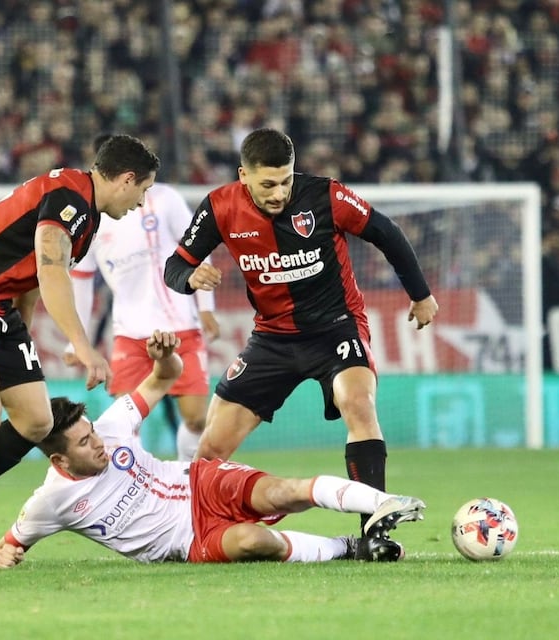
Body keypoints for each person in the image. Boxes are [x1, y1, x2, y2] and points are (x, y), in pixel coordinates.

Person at [0, 134, 160, 575]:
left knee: (36, 420)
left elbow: (25, 275)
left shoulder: (86, 212)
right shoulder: (70, 199)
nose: (141, 203)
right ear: (126, 179)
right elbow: (49, 267)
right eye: (143, 190)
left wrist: (17, 334)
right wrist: (83, 346)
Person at [163, 128, 439, 532]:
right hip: (272, 339)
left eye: (286, 181)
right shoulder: (220, 206)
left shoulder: (326, 196)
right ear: (244, 176)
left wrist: (420, 294)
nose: (279, 193)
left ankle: (372, 531)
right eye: (268, 184)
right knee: (210, 448)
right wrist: (190, 277)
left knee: (359, 406)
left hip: (337, 330)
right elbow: (174, 265)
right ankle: (193, 530)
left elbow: (386, 232)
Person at [0, 330, 426, 568]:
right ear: (59, 460)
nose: (98, 443)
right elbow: (10, 545)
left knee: (282, 492)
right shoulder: (50, 502)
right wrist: (2, 556)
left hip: (200, 483)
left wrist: (164, 359)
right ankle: (350, 549)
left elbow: (164, 378)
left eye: (92, 432)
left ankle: (385, 503)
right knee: (254, 542)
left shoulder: (113, 425)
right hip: (189, 541)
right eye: (85, 442)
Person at [65, 142, 220, 461]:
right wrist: (73, 342)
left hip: (181, 325)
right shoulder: (88, 219)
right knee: (125, 423)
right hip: (130, 332)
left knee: (196, 417)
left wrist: (206, 307)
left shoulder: (163, 198)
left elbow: (198, 247)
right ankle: (130, 492)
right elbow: (81, 283)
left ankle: (187, 483)